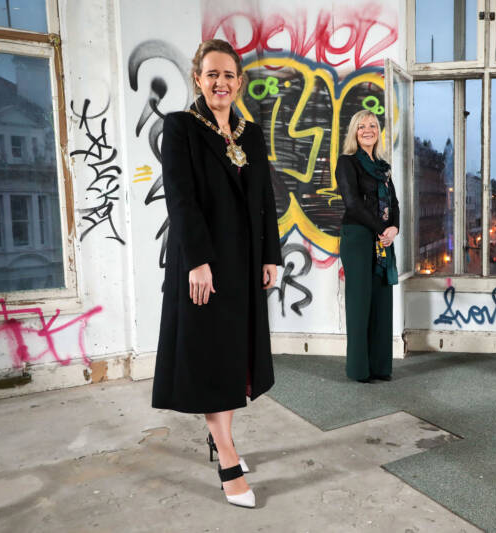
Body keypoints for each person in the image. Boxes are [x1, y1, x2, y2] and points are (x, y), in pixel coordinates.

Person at [152, 39, 282, 508]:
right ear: (197, 79)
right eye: (212, 74)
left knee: (232, 358)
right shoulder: (181, 127)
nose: (221, 83)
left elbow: (265, 199)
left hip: (244, 264)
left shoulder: (251, 134)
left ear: (239, 81)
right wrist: (197, 261)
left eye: (228, 75)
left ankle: (220, 437)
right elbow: (180, 197)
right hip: (204, 264)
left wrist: (271, 255)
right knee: (210, 358)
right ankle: (227, 458)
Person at [336, 110, 399, 383]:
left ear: (378, 131)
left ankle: (380, 367)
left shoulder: (383, 167)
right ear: (354, 132)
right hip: (358, 238)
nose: (367, 130)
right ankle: (359, 369)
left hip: (382, 239)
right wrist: (382, 229)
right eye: (361, 126)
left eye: (372, 125)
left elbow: (394, 203)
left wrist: (395, 228)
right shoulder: (347, 162)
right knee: (360, 303)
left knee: (382, 301)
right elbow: (352, 203)